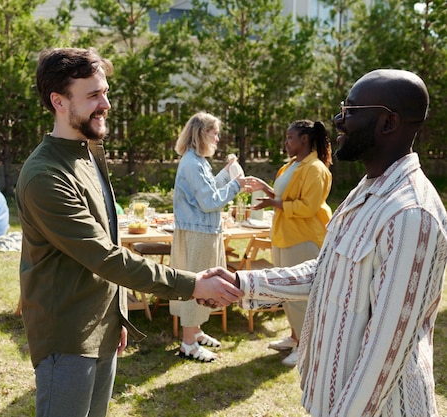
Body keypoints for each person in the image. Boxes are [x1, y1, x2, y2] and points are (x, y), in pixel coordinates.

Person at [15, 47, 241, 417]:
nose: (105, 104)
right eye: (93, 95)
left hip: (101, 328)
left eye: (105, 92)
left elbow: (109, 241)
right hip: (68, 337)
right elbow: (104, 255)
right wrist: (193, 284)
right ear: (58, 101)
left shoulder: (88, 153)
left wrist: (116, 314)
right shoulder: (46, 176)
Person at [214, 69, 447, 416]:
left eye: (351, 111)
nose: (338, 120)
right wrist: (240, 282)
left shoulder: (411, 214)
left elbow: (384, 351)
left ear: (388, 122)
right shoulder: (366, 193)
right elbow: (325, 271)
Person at [248, 119, 332, 367]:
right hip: (285, 236)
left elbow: (308, 207)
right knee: (286, 292)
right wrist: (267, 191)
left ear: (304, 139)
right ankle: (295, 337)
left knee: (302, 296)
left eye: (289, 138)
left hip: (304, 239)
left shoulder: (315, 169)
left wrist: (273, 204)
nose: (285, 143)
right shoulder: (291, 166)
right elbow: (284, 197)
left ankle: (306, 348)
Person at [170, 112, 246, 362]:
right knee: (196, 287)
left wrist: (226, 174)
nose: (217, 138)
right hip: (198, 233)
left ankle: (196, 331)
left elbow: (208, 189)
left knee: (200, 286)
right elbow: (210, 201)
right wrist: (237, 185)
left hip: (200, 231)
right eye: (214, 132)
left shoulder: (196, 161)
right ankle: (188, 343)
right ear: (202, 133)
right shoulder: (193, 162)